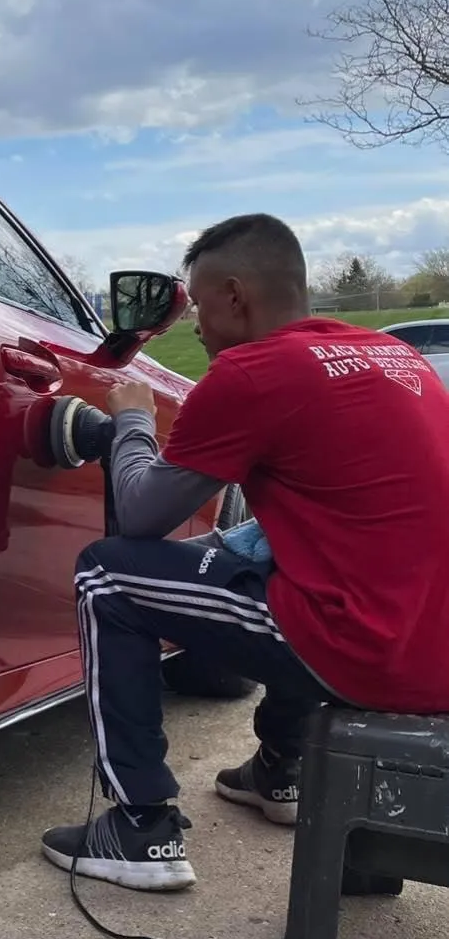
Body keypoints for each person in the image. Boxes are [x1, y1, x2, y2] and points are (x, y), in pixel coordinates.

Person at [38, 212, 449, 892]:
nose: (197, 325)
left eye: (199, 305)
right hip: (431, 650)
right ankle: (281, 769)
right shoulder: (395, 357)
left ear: (235, 295)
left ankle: (139, 829)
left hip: (368, 653)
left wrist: (133, 418)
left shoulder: (255, 371)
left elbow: (141, 518)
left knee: (108, 576)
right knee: (257, 549)